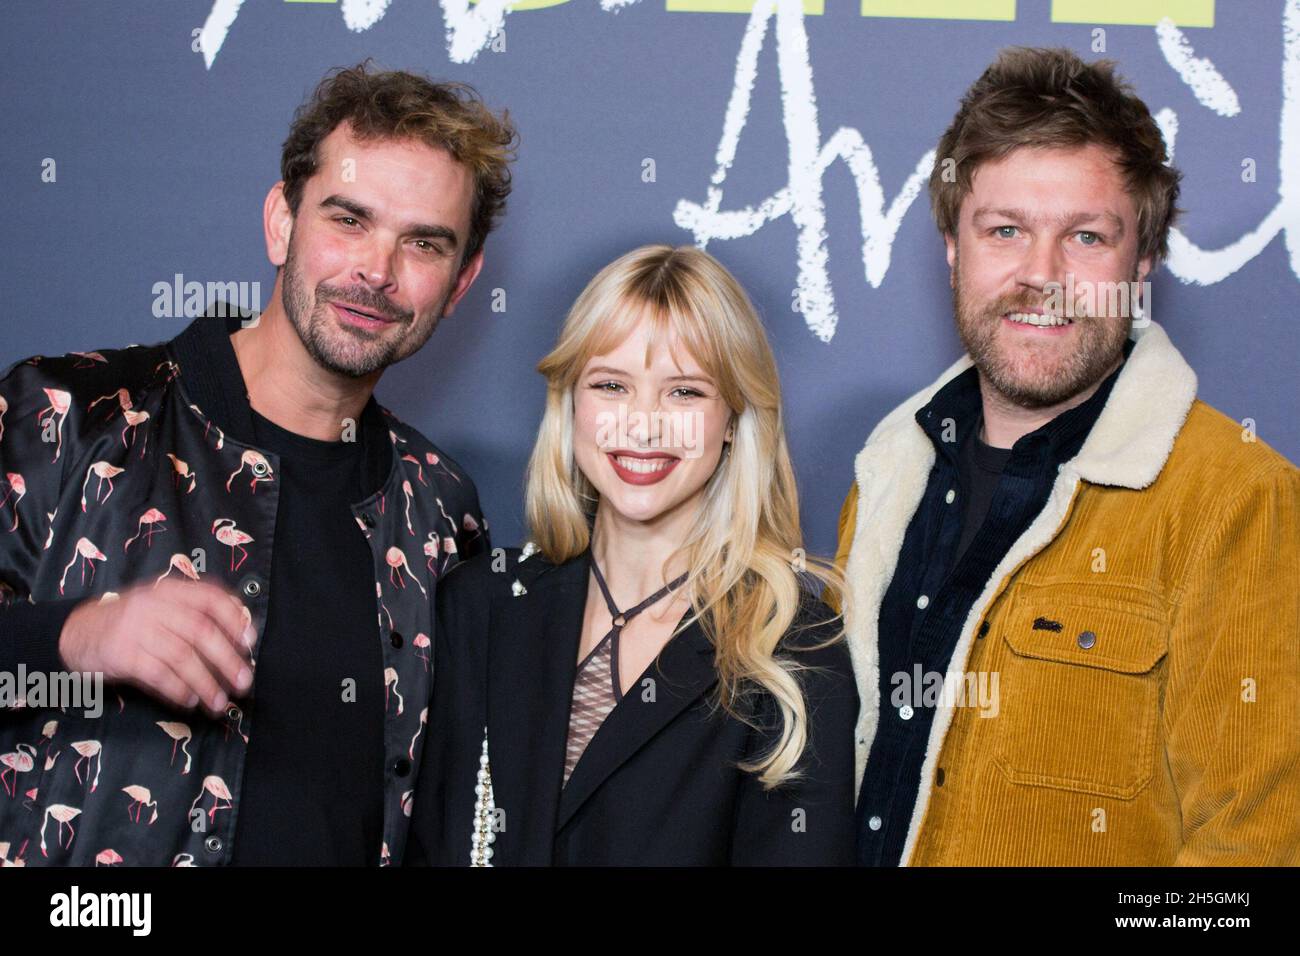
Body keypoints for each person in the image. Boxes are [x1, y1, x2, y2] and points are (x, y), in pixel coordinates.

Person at [0, 62, 515, 866]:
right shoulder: (66, 415)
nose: (376, 271)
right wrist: (73, 636)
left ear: (460, 282)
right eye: (348, 220)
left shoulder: (443, 512)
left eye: (422, 242)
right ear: (281, 222)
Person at [829, 47, 1300, 866]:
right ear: (953, 245)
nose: (1041, 276)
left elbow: (1253, 860)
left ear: (1142, 260)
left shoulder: (1239, 498)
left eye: (1085, 237)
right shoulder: (888, 474)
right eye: (1005, 230)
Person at [407, 245, 858, 866]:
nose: (642, 426)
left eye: (684, 393)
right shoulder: (479, 602)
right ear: (571, 403)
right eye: (611, 385)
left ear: (733, 418)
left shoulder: (795, 652)